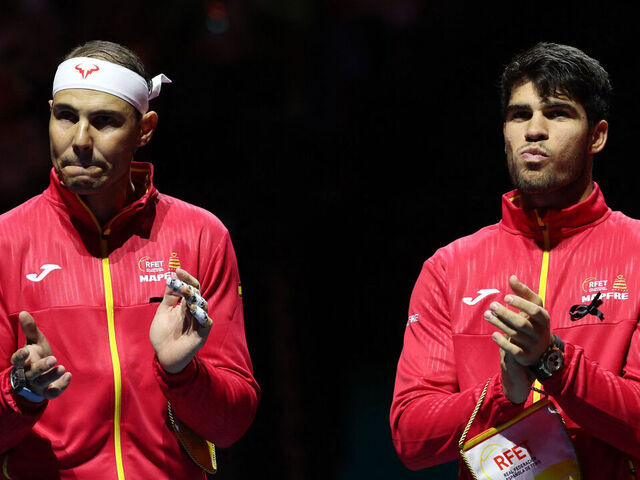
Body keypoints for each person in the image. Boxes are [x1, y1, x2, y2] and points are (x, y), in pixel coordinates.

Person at [0, 40, 259, 479]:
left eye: (104, 121)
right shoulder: (5, 241)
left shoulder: (201, 235)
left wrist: (181, 372)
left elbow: (231, 426)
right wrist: (21, 393)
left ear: (145, 129)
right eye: (65, 116)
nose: (79, 140)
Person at [390, 42, 640, 478]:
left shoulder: (637, 252)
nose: (534, 130)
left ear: (597, 135)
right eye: (519, 114)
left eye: (558, 113)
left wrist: (553, 362)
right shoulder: (449, 267)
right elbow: (412, 438)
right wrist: (503, 395)